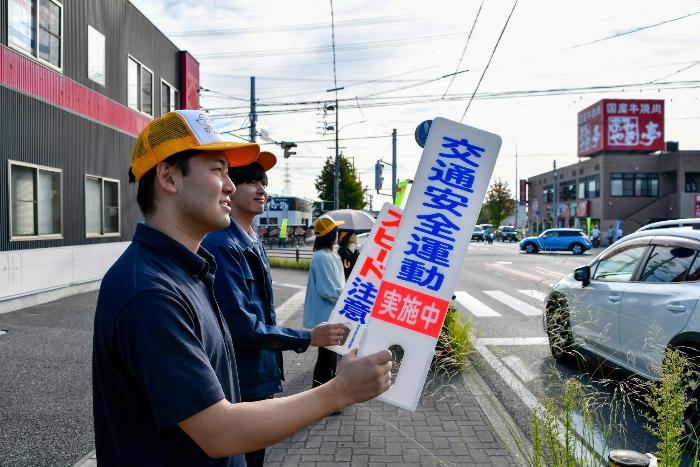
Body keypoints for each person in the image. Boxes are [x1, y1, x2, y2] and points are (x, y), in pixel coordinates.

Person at [92, 110, 392, 466]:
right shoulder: (149, 292)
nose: (231, 186)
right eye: (219, 170)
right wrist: (339, 391)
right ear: (169, 177)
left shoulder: (189, 270)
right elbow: (219, 431)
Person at [202, 152, 349, 467]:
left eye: (263, 182)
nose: (261, 190)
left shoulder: (251, 241)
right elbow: (244, 327)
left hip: (259, 374)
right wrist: (307, 336)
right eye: (250, 181)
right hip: (241, 379)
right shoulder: (223, 246)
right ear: (229, 186)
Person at [304, 215, 346, 389]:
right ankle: (323, 396)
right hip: (327, 314)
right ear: (331, 234)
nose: (338, 233)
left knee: (329, 357)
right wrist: (345, 298)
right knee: (327, 358)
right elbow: (327, 290)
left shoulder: (331, 254)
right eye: (336, 230)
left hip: (333, 312)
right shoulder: (322, 256)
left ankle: (323, 395)